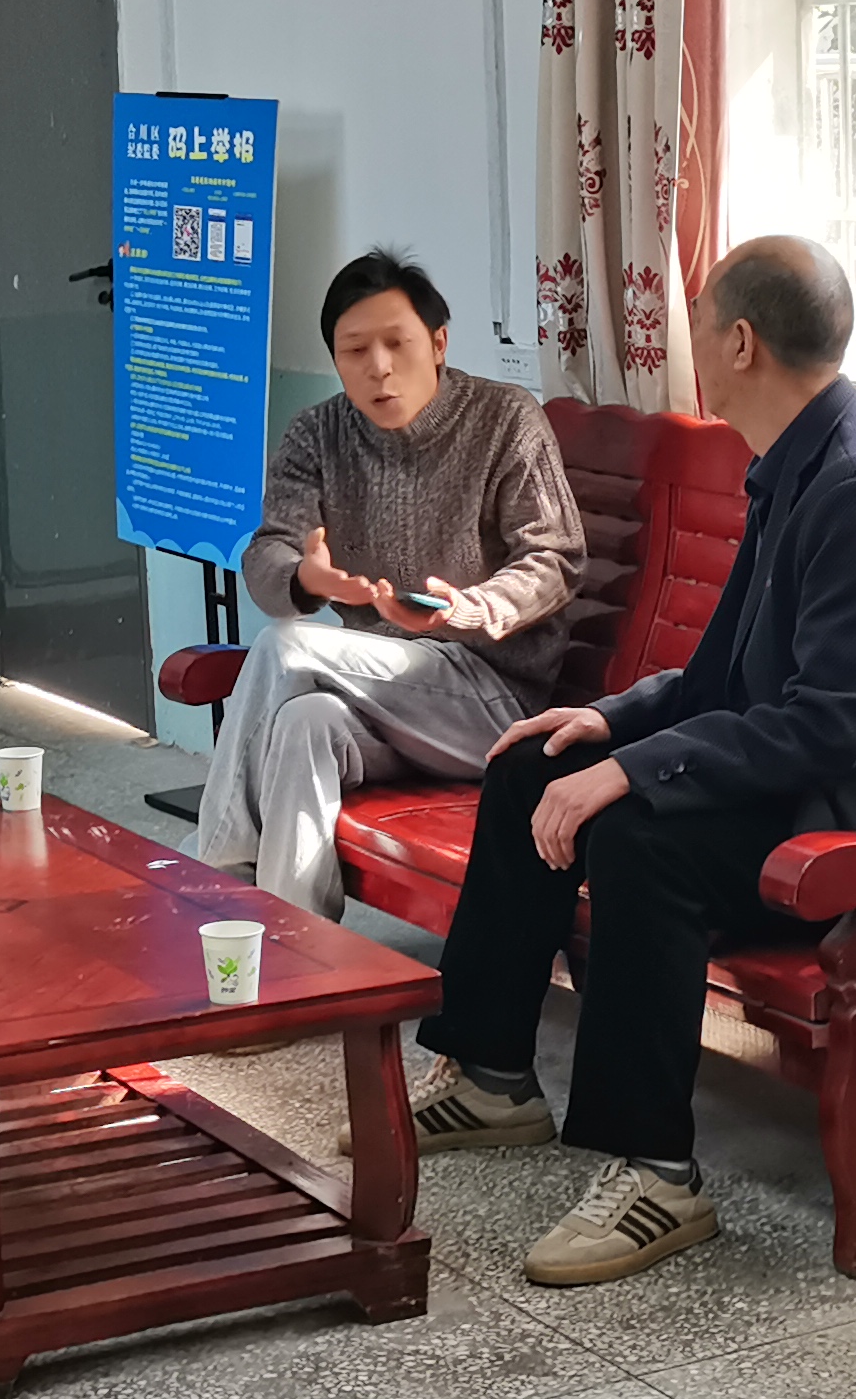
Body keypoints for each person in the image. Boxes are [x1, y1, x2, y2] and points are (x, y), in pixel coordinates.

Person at [408, 235, 856, 1286]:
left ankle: (657, 1172)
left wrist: (638, 774)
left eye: (697, 322)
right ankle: (493, 1073)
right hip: (814, 788)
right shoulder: (798, 466)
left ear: (740, 342)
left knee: (645, 840)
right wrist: (607, 725)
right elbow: (722, 676)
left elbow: (826, 725)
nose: (689, 341)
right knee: (533, 768)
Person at [200, 252, 581, 918]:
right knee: (303, 723)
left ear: (438, 343)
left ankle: (214, 869)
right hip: (378, 693)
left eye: (397, 343)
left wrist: (471, 608)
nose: (378, 367)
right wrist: (302, 577)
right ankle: (294, 950)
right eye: (355, 350)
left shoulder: (506, 420)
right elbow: (268, 552)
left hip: (493, 700)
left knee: (287, 648)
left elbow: (555, 560)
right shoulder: (317, 434)